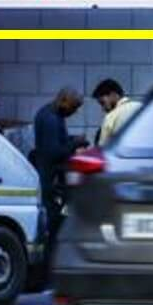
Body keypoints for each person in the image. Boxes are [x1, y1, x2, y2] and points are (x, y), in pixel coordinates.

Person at [31, 87, 88, 238]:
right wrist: (75, 144)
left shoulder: (55, 115)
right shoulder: (50, 119)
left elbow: (58, 142)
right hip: (49, 180)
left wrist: (72, 140)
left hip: (51, 177)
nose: (74, 112)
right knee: (54, 223)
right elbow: (54, 153)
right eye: (74, 107)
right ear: (64, 101)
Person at [93, 78, 143, 148]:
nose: (103, 109)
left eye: (102, 103)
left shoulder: (111, 117)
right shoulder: (142, 108)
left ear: (113, 94)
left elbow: (102, 149)